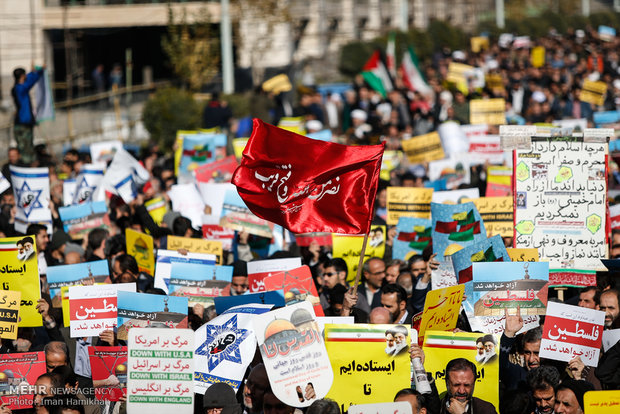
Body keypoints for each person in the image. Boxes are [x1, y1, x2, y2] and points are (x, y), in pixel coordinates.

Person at [11, 65, 44, 164]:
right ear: (22, 76)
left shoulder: (17, 88)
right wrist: (38, 72)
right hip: (23, 123)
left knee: (26, 146)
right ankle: (28, 166)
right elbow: (29, 82)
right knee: (26, 148)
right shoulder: (20, 88)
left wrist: (32, 72)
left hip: (22, 123)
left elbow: (27, 80)